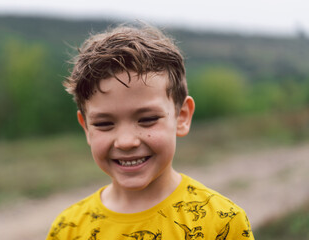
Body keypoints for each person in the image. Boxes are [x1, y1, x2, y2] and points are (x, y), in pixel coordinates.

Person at [46, 23, 254, 240]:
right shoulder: (67, 229)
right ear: (86, 128)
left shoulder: (223, 223)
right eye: (104, 124)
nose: (126, 142)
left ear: (181, 117)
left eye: (147, 119)